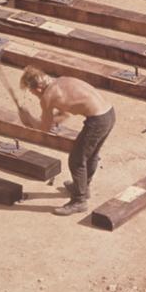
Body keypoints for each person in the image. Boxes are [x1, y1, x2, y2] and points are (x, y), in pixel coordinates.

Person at [17, 66, 116, 215]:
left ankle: (79, 201)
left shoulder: (47, 97)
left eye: (31, 92)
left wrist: (29, 119)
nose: (34, 95)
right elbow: (64, 115)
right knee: (90, 155)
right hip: (109, 113)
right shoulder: (61, 81)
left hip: (97, 121)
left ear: (37, 88)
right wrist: (46, 120)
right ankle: (83, 187)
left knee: (76, 160)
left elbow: (44, 128)